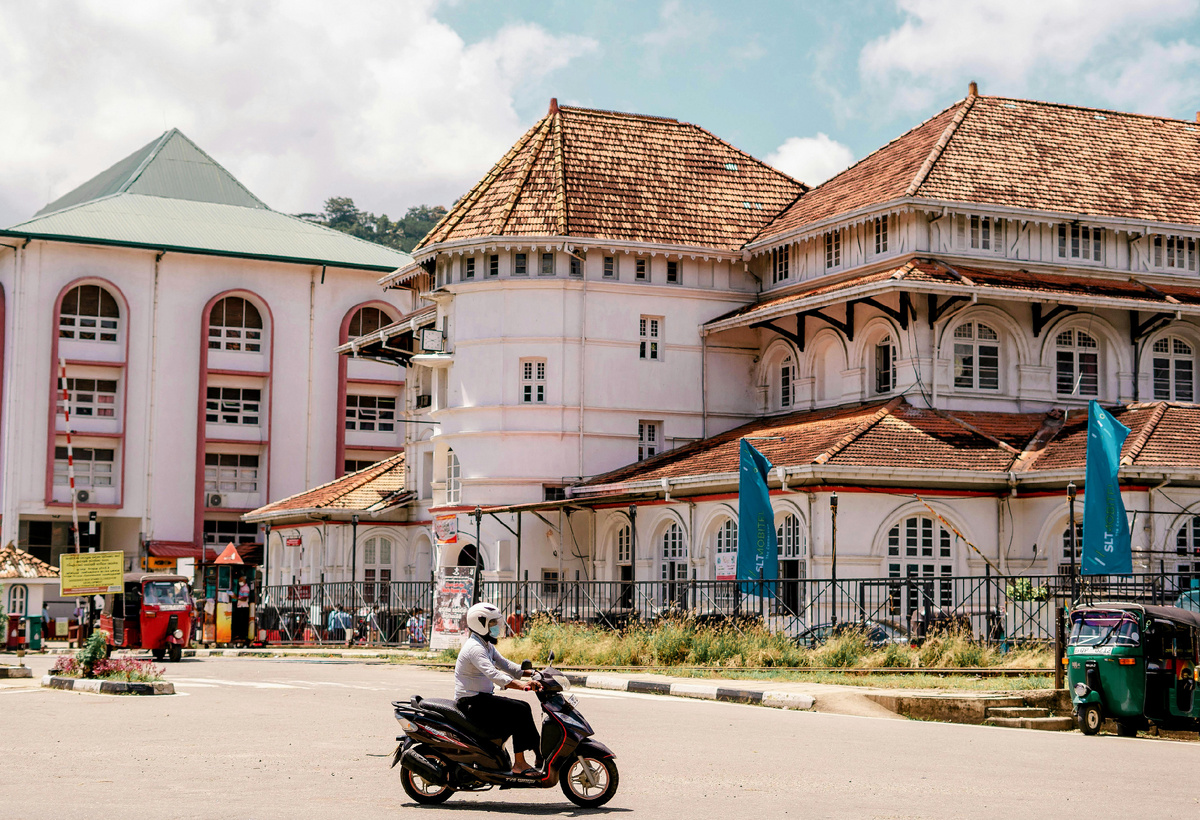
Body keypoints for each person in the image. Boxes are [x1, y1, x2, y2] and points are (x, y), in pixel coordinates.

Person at [455, 602, 541, 776]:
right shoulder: (474, 648)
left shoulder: (486, 645)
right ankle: (520, 764)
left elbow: (506, 665)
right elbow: (494, 674)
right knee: (519, 710)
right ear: (480, 624)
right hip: (472, 703)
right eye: (492, 624)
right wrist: (522, 686)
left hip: (481, 699)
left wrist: (533, 673)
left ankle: (539, 754)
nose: (496, 628)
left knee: (523, 708)